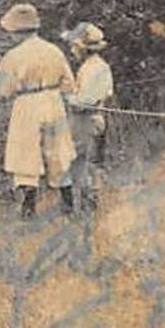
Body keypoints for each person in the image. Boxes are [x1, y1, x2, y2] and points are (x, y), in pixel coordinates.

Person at [0, 2, 77, 218]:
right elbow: (69, 84)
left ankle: (28, 211)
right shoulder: (53, 51)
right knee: (58, 153)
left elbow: (0, 91)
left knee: (25, 155)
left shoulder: (13, 57)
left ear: (17, 31)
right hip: (53, 103)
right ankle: (68, 206)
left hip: (27, 106)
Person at [62, 21, 114, 208]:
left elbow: (85, 102)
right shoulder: (93, 66)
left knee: (86, 165)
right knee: (87, 165)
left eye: (73, 46)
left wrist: (67, 97)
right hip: (89, 121)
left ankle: (90, 208)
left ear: (81, 47)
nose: (71, 50)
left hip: (88, 122)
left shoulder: (94, 68)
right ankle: (88, 206)